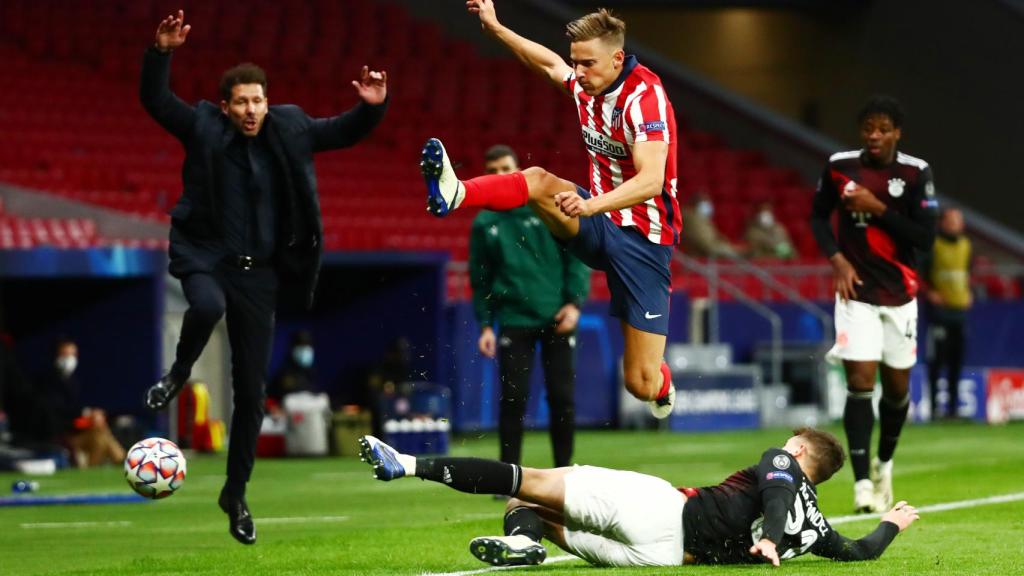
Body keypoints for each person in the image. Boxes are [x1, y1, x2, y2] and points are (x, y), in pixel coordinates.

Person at [139, 10, 388, 544]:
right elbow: (157, 102)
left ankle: (236, 494)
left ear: (266, 102)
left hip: (260, 277)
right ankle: (178, 374)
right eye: (241, 103)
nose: (251, 110)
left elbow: (340, 131)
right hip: (206, 257)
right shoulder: (204, 126)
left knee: (251, 394)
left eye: (258, 100)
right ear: (225, 106)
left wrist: (370, 109)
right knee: (204, 307)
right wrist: (161, 55)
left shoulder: (290, 128)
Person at [422, 3, 680, 418]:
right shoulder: (587, 82)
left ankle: (662, 381)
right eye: (576, 63)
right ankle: (456, 193)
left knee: (640, 384)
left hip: (643, 243)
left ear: (617, 59)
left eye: (587, 64)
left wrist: (591, 204)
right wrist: (496, 29)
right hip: (597, 223)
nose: (578, 73)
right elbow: (546, 62)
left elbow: (651, 181)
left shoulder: (644, 101)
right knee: (539, 181)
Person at [358, 427, 919, 567]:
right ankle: (527, 546)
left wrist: (770, 538)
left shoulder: (781, 461)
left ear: (799, 450)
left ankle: (406, 463)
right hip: (663, 559)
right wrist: (891, 523)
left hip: (662, 509)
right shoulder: (819, 527)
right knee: (527, 515)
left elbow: (775, 493)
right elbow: (859, 552)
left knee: (523, 484)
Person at [810, 95, 938, 513]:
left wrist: (876, 207)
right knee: (861, 381)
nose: (875, 135)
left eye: (884, 128)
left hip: (900, 294)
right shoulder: (839, 166)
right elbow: (817, 217)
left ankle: (885, 463)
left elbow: (924, 238)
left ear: (897, 132)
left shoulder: (916, 173)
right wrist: (837, 260)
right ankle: (863, 484)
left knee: (898, 388)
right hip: (857, 293)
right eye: (869, 128)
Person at [470, 144, 591, 468]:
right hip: (514, 318)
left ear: (518, 169)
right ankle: (508, 475)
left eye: (505, 168)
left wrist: (574, 304)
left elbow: (577, 255)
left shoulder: (546, 206)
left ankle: (565, 473)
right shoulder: (484, 223)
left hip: (558, 316)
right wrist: (484, 324)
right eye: (492, 171)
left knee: (562, 399)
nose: (499, 175)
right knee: (513, 399)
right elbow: (480, 278)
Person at [37, 338, 125, 467]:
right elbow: (58, 410)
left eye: (73, 355)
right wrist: (88, 414)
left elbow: (75, 408)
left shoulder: (73, 380)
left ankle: (118, 459)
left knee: (99, 434)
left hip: (76, 431)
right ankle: (121, 458)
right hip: (60, 435)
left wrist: (89, 415)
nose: (70, 359)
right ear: (56, 356)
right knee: (99, 434)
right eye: (65, 354)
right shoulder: (47, 380)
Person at [922, 207, 972, 419]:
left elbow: (966, 272)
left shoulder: (966, 245)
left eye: (958, 220)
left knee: (956, 361)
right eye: (951, 220)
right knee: (937, 361)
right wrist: (930, 292)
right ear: (942, 223)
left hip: (959, 312)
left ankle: (953, 410)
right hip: (938, 313)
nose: (955, 224)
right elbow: (919, 273)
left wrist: (968, 292)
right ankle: (934, 409)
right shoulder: (933, 245)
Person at [267, 330, 317, 412]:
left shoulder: (310, 373)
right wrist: (274, 408)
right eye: (301, 347)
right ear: (293, 350)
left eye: (308, 347)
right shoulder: (284, 374)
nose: (306, 351)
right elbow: (270, 398)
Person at [681, 191, 739, 258]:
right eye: (705, 202)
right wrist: (732, 251)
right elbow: (706, 246)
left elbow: (716, 238)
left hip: (711, 250)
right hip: (698, 256)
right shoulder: (693, 220)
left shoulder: (703, 220)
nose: (709, 206)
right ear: (696, 203)